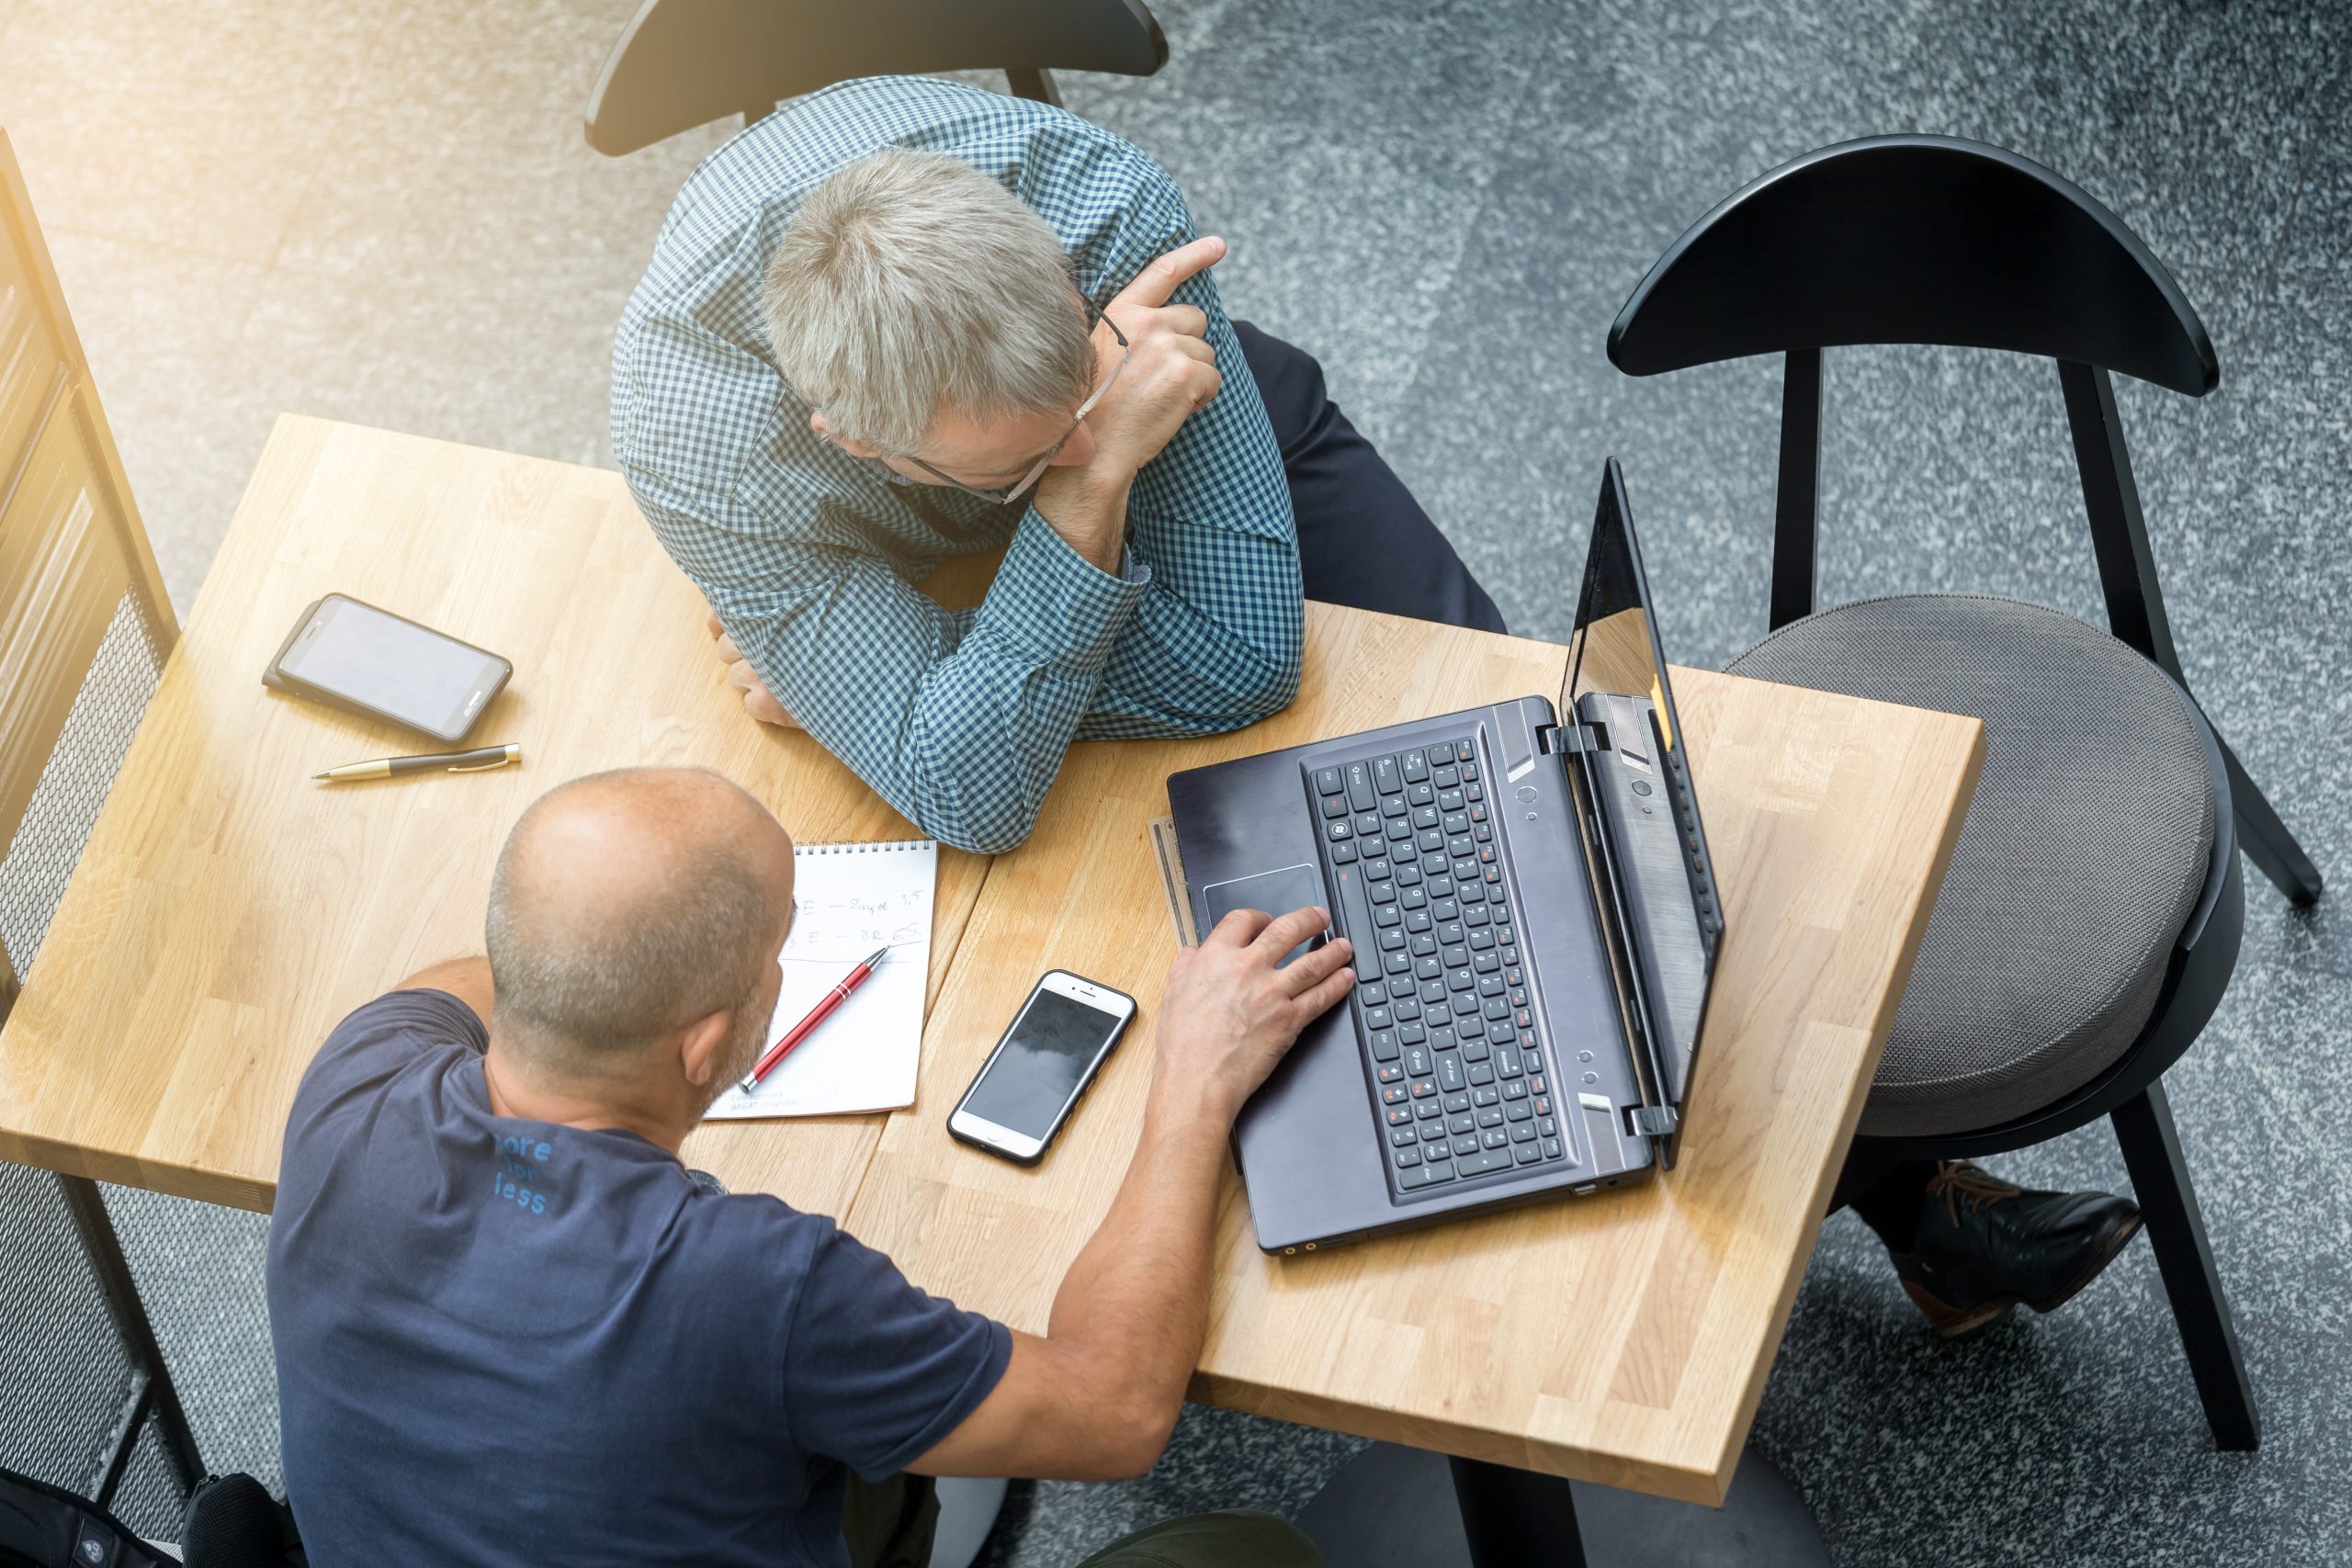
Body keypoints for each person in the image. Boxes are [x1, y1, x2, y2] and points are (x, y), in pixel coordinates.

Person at [266, 767, 1342, 1567]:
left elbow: (477, 981)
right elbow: (1115, 1411)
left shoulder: (358, 1082)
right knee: (1250, 1554)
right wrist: (1195, 1080)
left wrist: (607, 951)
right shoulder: (754, 1284)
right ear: (708, 1045)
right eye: (783, 948)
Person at [611, 75, 1503, 858]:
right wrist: (1089, 476)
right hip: (885, 517)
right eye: (1026, 467)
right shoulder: (695, 448)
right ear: (855, 442)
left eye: (1081, 399)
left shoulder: (1105, 210)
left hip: (1160, 395)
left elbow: (1242, 656)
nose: (1077, 452)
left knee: (1487, 704)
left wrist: (884, 699)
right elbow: (969, 801)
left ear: (1072, 284)